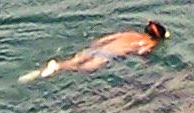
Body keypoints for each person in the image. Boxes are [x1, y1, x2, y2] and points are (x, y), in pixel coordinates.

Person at [22, 19, 167, 81]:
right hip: (108, 55)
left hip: (98, 48)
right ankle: (57, 68)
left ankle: (46, 69)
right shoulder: (149, 43)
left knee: (73, 61)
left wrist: (94, 45)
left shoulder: (131, 33)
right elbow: (142, 53)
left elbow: (108, 38)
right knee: (86, 69)